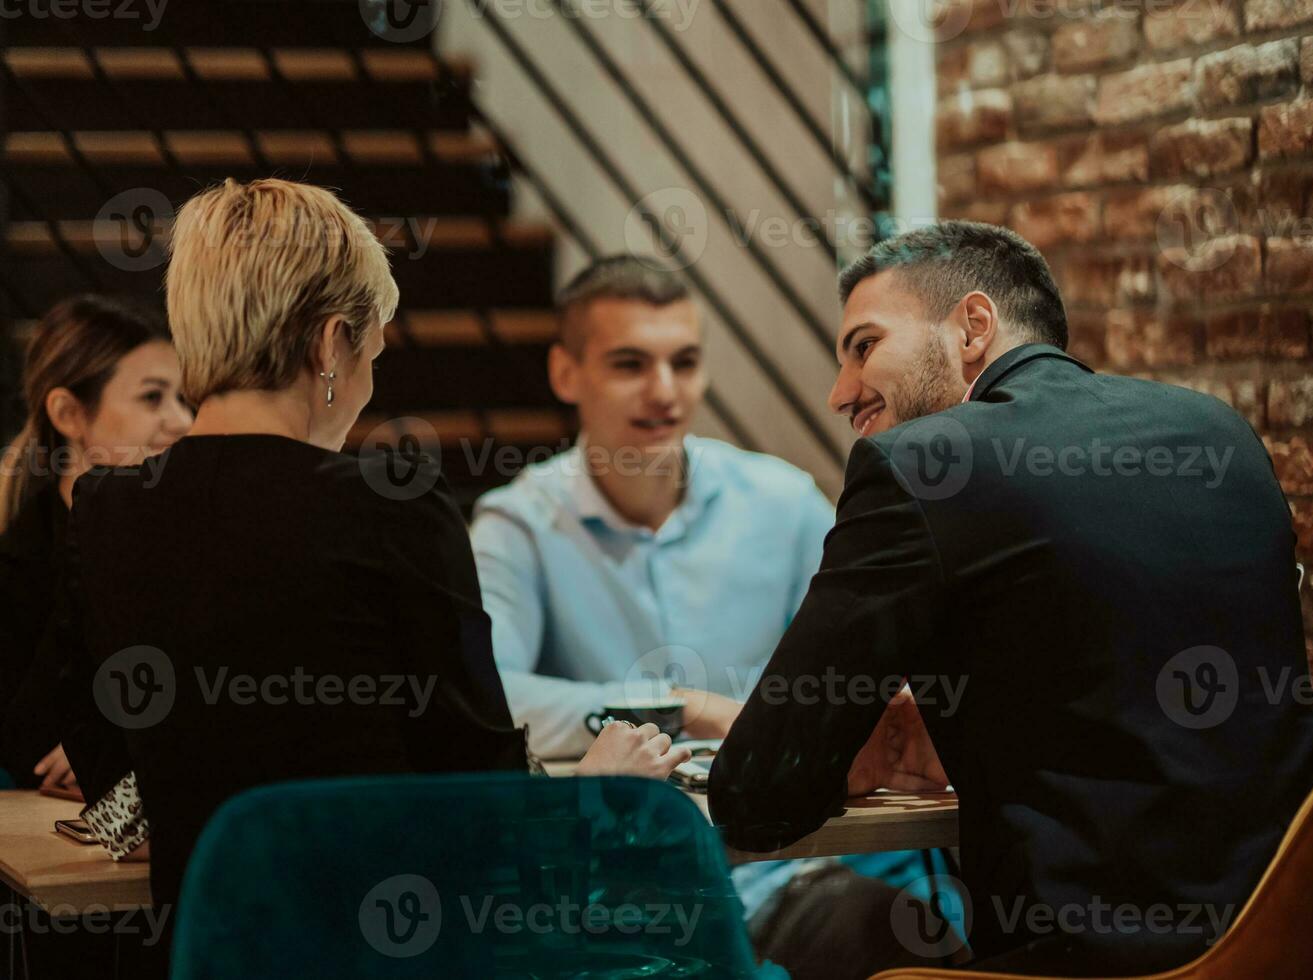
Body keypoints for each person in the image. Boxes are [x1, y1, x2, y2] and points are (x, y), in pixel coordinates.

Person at [57, 179, 688, 923]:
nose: (366, 382)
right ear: (330, 344)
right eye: (372, 355)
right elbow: (481, 803)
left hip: (211, 950)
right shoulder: (390, 506)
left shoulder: (103, 508)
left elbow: (103, 769)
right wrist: (595, 787)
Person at [709, 221, 1313, 976]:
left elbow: (753, 794)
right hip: (1297, 940)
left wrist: (844, 755)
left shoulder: (922, 465)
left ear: (973, 327)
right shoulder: (1220, 433)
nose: (840, 393)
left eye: (864, 346)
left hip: (1079, 966)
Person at [469, 255, 946, 978]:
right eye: (631, 364)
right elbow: (492, 697)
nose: (664, 392)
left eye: (684, 362)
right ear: (566, 374)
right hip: (637, 895)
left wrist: (720, 714)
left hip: (795, 865)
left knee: (900, 934)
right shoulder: (517, 524)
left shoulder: (782, 503)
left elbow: (873, 662)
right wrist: (682, 713)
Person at [0, 296, 193, 793]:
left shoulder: (182, 537)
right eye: (153, 398)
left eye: (182, 398)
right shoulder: (19, 558)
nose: (183, 421)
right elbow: (24, 740)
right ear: (68, 413)